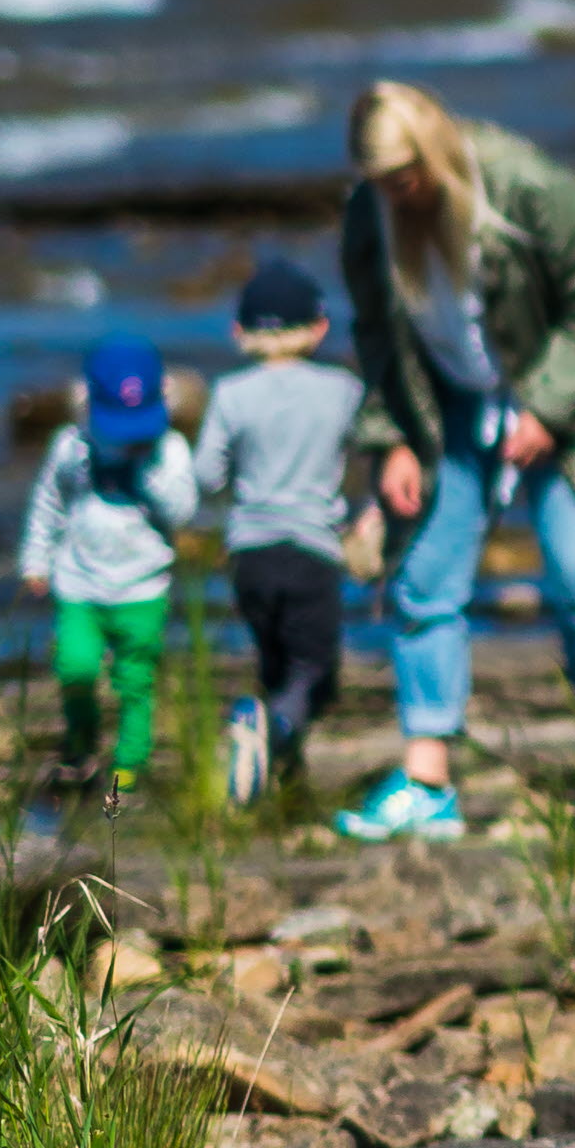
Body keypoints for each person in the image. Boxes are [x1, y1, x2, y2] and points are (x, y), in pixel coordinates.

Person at [331, 82, 575, 842]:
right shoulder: (370, 217)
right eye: (378, 182)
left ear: (432, 154)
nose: (393, 196)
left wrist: (547, 406)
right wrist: (392, 439)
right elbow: (375, 334)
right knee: (423, 580)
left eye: (403, 178)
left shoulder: (529, 187)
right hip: (448, 413)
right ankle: (428, 782)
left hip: (563, 410)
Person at [195, 256, 365, 805]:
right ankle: (271, 730)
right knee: (315, 673)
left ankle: (276, 780)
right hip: (312, 550)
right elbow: (371, 445)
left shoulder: (230, 393)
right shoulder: (342, 389)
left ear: (238, 331)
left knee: (275, 667)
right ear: (319, 327)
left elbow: (206, 474)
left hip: (250, 553)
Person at [19, 334, 198, 824]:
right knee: (75, 667)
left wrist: (146, 471)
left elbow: (183, 511)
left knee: (135, 680)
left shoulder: (170, 451)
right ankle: (80, 744)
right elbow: (49, 504)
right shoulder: (71, 447)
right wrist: (35, 560)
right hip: (79, 585)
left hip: (143, 588)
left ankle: (128, 766)